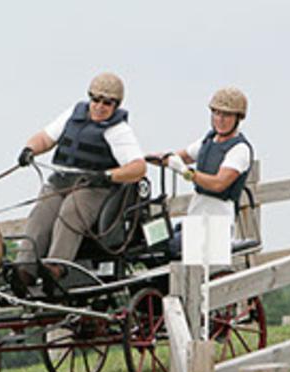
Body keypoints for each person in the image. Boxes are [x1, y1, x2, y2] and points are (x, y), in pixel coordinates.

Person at [14, 71, 146, 283]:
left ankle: (56, 266)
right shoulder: (72, 116)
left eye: (107, 102)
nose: (99, 106)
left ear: (116, 105)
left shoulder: (118, 131)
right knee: (42, 212)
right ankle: (24, 269)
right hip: (62, 181)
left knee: (71, 211)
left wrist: (108, 175)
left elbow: (138, 168)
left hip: (94, 187)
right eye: (95, 99)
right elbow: (45, 138)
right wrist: (30, 149)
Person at [148, 87, 254, 248]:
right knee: (150, 236)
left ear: (238, 118)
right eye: (216, 113)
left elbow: (219, 184)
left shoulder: (239, 150)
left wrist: (185, 172)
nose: (220, 119)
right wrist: (145, 159)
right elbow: (181, 156)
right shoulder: (209, 140)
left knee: (163, 247)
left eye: (226, 115)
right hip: (196, 217)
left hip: (217, 223)